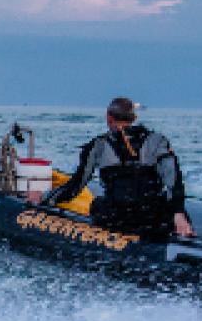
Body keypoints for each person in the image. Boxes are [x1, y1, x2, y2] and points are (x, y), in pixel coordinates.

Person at [45, 97, 194, 238]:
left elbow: (76, 186)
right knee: (169, 207)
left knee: (96, 205)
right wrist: (178, 213)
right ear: (134, 118)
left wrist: (47, 201)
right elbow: (174, 182)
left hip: (118, 217)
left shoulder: (98, 146)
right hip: (151, 218)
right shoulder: (157, 141)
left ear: (108, 118)